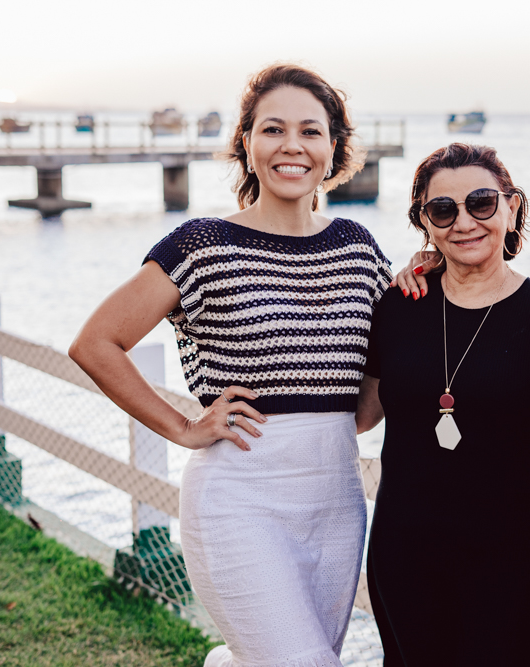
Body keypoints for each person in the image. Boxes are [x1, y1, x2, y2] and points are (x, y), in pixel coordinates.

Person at [68, 64, 393, 667]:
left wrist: (423, 292)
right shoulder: (202, 245)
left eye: (310, 131)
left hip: (337, 504)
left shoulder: (360, 248)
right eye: (273, 129)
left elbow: (365, 409)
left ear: (333, 148)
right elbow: (96, 343)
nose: (291, 146)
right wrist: (183, 428)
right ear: (246, 142)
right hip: (239, 501)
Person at [356, 143, 530, 666]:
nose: (464, 222)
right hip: (408, 550)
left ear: (512, 207)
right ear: (425, 222)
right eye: (442, 210)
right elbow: (359, 413)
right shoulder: (398, 305)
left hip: (516, 557)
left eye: (482, 203)